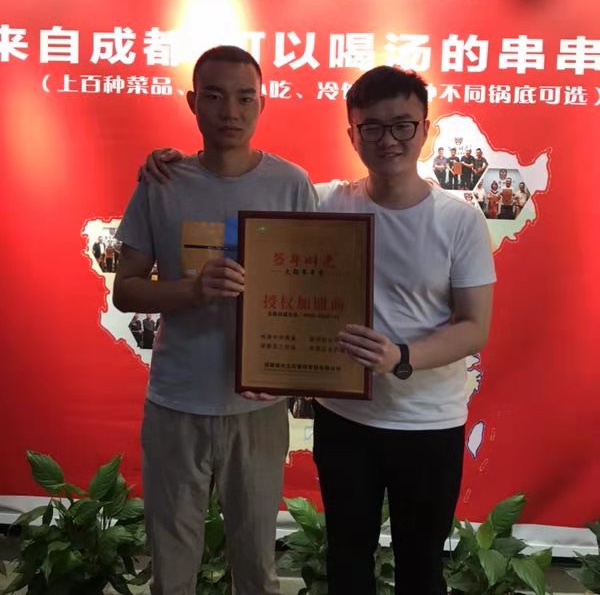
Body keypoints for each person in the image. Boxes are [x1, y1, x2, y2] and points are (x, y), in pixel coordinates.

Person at [143, 67, 495, 595]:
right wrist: (180, 166)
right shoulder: (326, 201)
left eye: (402, 125)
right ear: (352, 135)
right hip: (346, 420)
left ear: (425, 129)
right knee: (347, 562)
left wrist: (400, 355)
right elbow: (244, 195)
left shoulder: (459, 221)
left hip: (428, 421)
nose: (388, 140)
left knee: (422, 568)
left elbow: (474, 327)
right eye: (371, 127)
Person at [113, 45, 317, 595]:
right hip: (177, 402)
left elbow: (312, 292)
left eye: (245, 97)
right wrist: (191, 289)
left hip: (257, 406)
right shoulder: (162, 181)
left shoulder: (291, 184)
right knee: (172, 568)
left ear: (262, 103)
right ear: (192, 102)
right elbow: (125, 290)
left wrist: (292, 372)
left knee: (257, 567)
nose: (231, 110)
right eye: (215, 96)